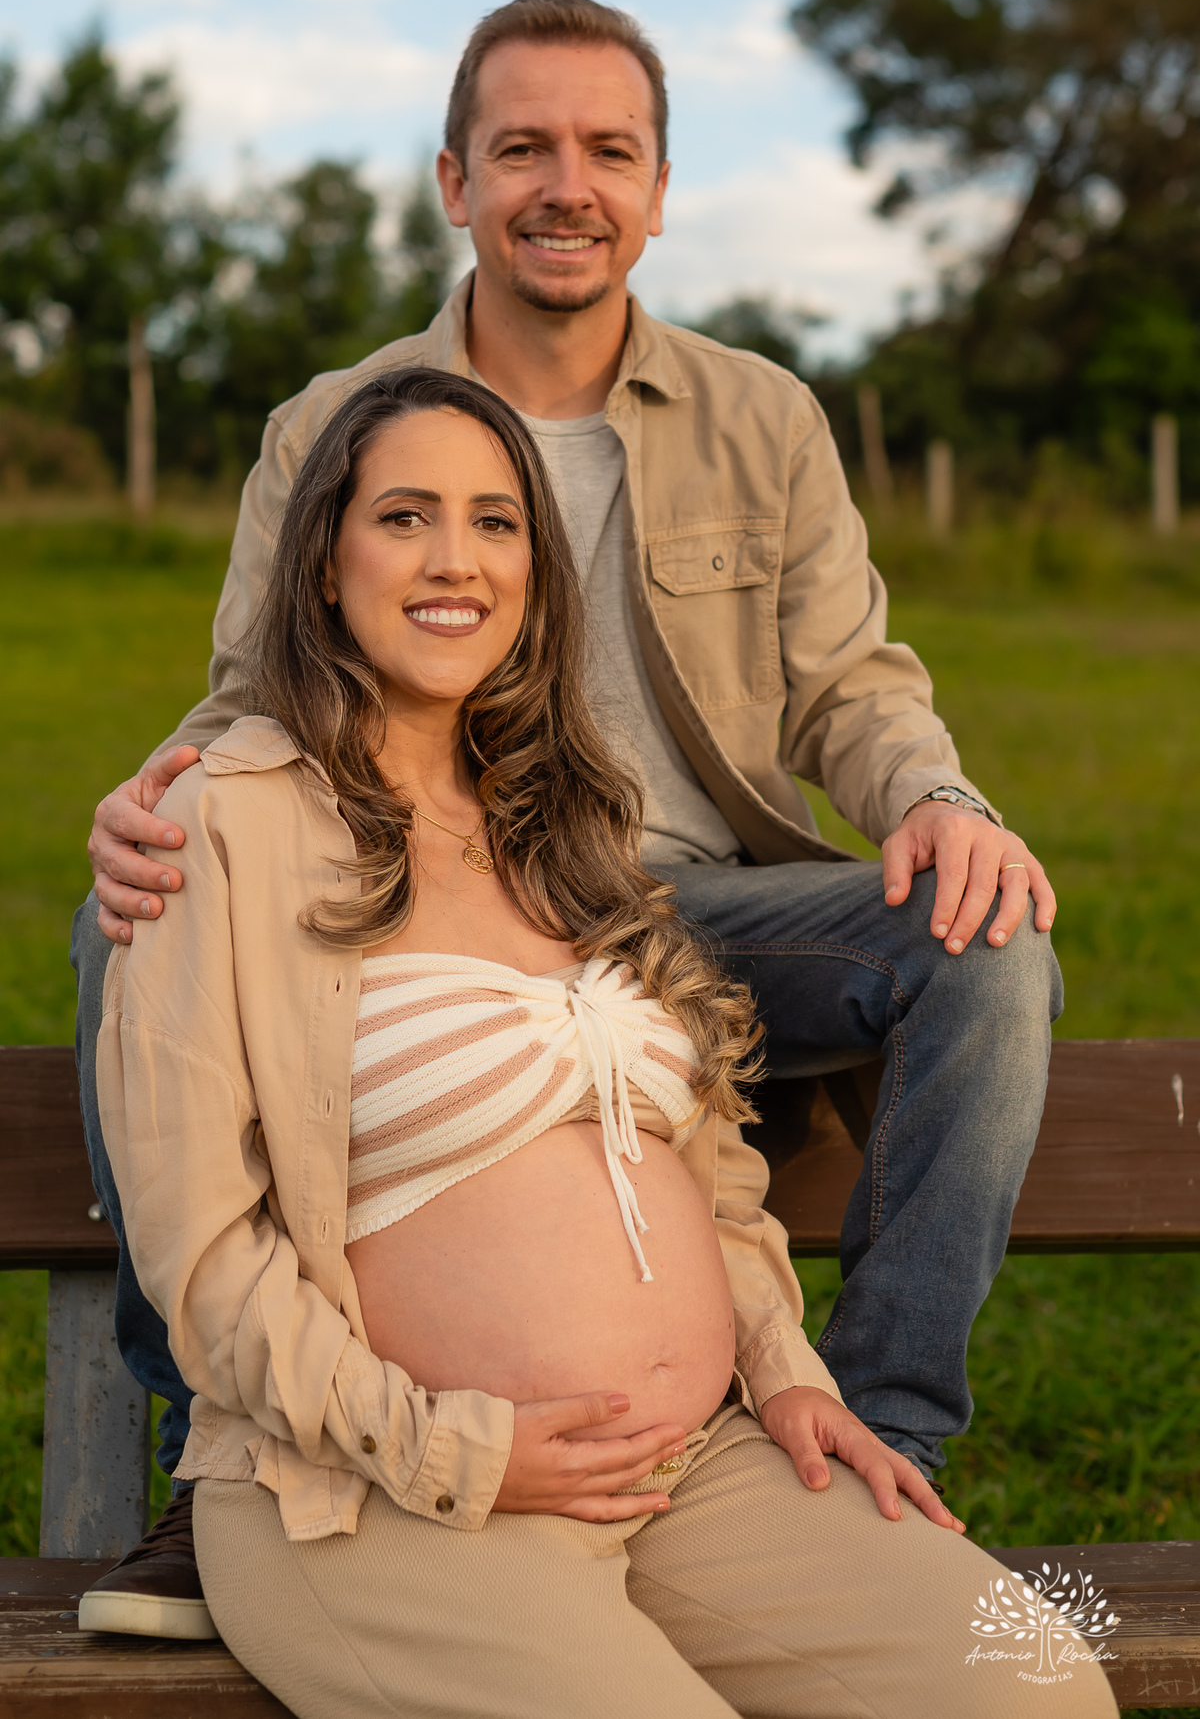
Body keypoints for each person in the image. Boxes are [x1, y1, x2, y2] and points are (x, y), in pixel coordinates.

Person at [75, 0, 1060, 1637]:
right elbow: (260, 689)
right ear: (456, 179)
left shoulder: (765, 418)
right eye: (522, 146)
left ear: (661, 190)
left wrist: (941, 797)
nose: (565, 182)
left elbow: (854, 689)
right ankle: (207, 1455)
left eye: (609, 149)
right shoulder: (330, 422)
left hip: (688, 914)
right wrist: (157, 800)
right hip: (432, 892)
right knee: (142, 918)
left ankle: (880, 1444)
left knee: (993, 942)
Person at [91, 367, 1113, 1719]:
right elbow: (202, 1256)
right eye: (405, 517)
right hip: (378, 1494)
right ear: (325, 562)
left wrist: (785, 1372)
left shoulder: (569, 825)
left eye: (497, 522)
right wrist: (458, 1446)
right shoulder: (224, 826)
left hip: (693, 1470)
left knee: (1038, 1683)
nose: (457, 558)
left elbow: (703, 1161)